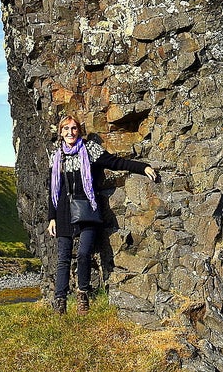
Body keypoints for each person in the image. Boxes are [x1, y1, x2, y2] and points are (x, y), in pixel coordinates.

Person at [47, 114, 158, 314]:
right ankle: (59, 302)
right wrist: (51, 218)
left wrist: (143, 167)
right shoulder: (56, 157)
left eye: (73, 128)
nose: (70, 133)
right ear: (60, 133)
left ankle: (82, 295)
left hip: (88, 208)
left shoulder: (90, 150)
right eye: (66, 129)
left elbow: (115, 163)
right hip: (63, 211)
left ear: (79, 131)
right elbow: (53, 190)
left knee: (83, 254)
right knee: (63, 258)